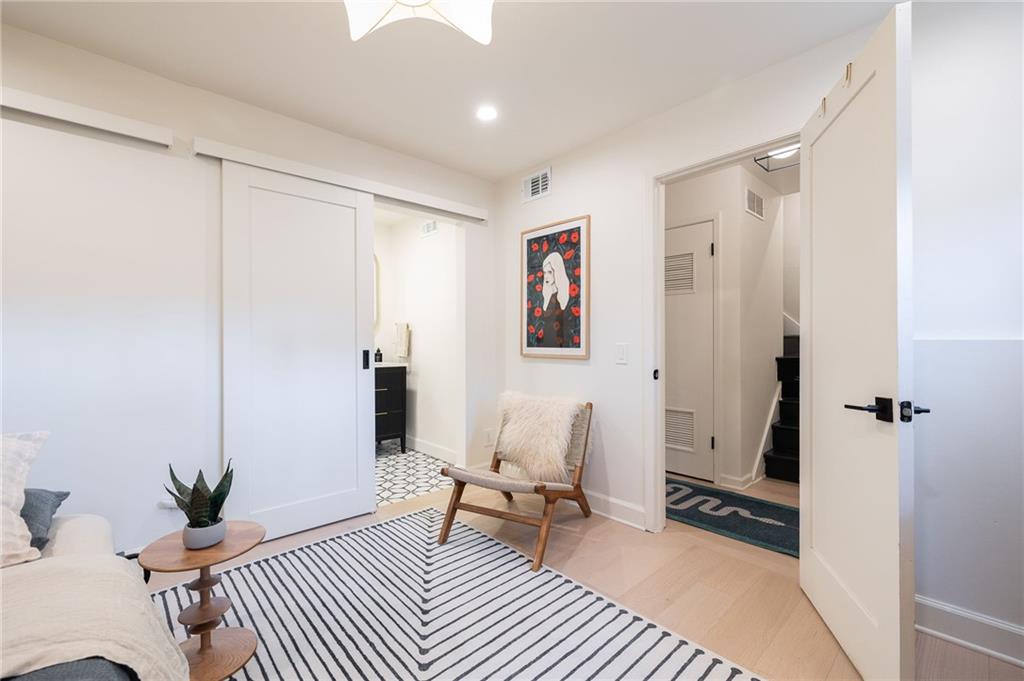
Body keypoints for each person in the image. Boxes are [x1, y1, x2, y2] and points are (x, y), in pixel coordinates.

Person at [540, 252, 570, 347]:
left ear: (557, 271)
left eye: (550, 272)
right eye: (544, 272)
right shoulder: (546, 295)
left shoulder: (562, 296)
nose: (546, 276)